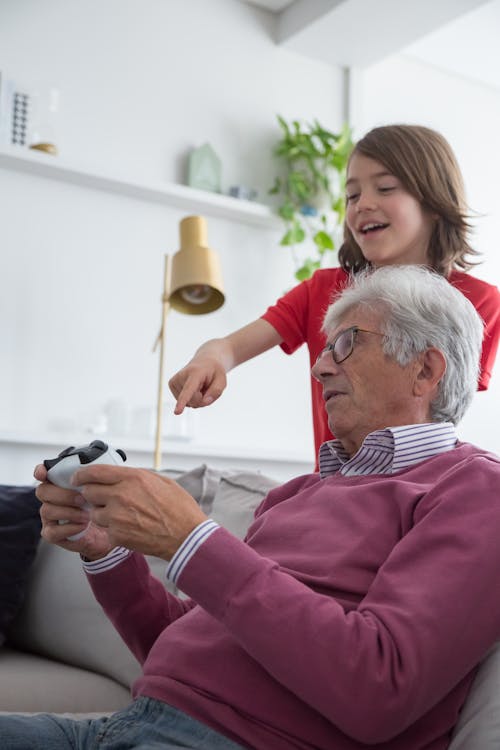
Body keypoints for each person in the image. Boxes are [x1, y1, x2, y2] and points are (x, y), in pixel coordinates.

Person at [3, 265, 500, 750]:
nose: (319, 365)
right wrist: (107, 552)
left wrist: (191, 541)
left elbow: (380, 687)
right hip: (129, 725)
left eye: (346, 344)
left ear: (425, 369)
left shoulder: (474, 489)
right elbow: (181, 653)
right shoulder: (295, 495)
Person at [168, 124, 500, 465]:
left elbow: (443, 411)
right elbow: (227, 348)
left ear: (434, 201)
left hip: (416, 487)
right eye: (352, 195)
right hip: (334, 495)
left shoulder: (478, 302)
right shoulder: (322, 291)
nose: (363, 205)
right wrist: (208, 360)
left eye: (385, 188)